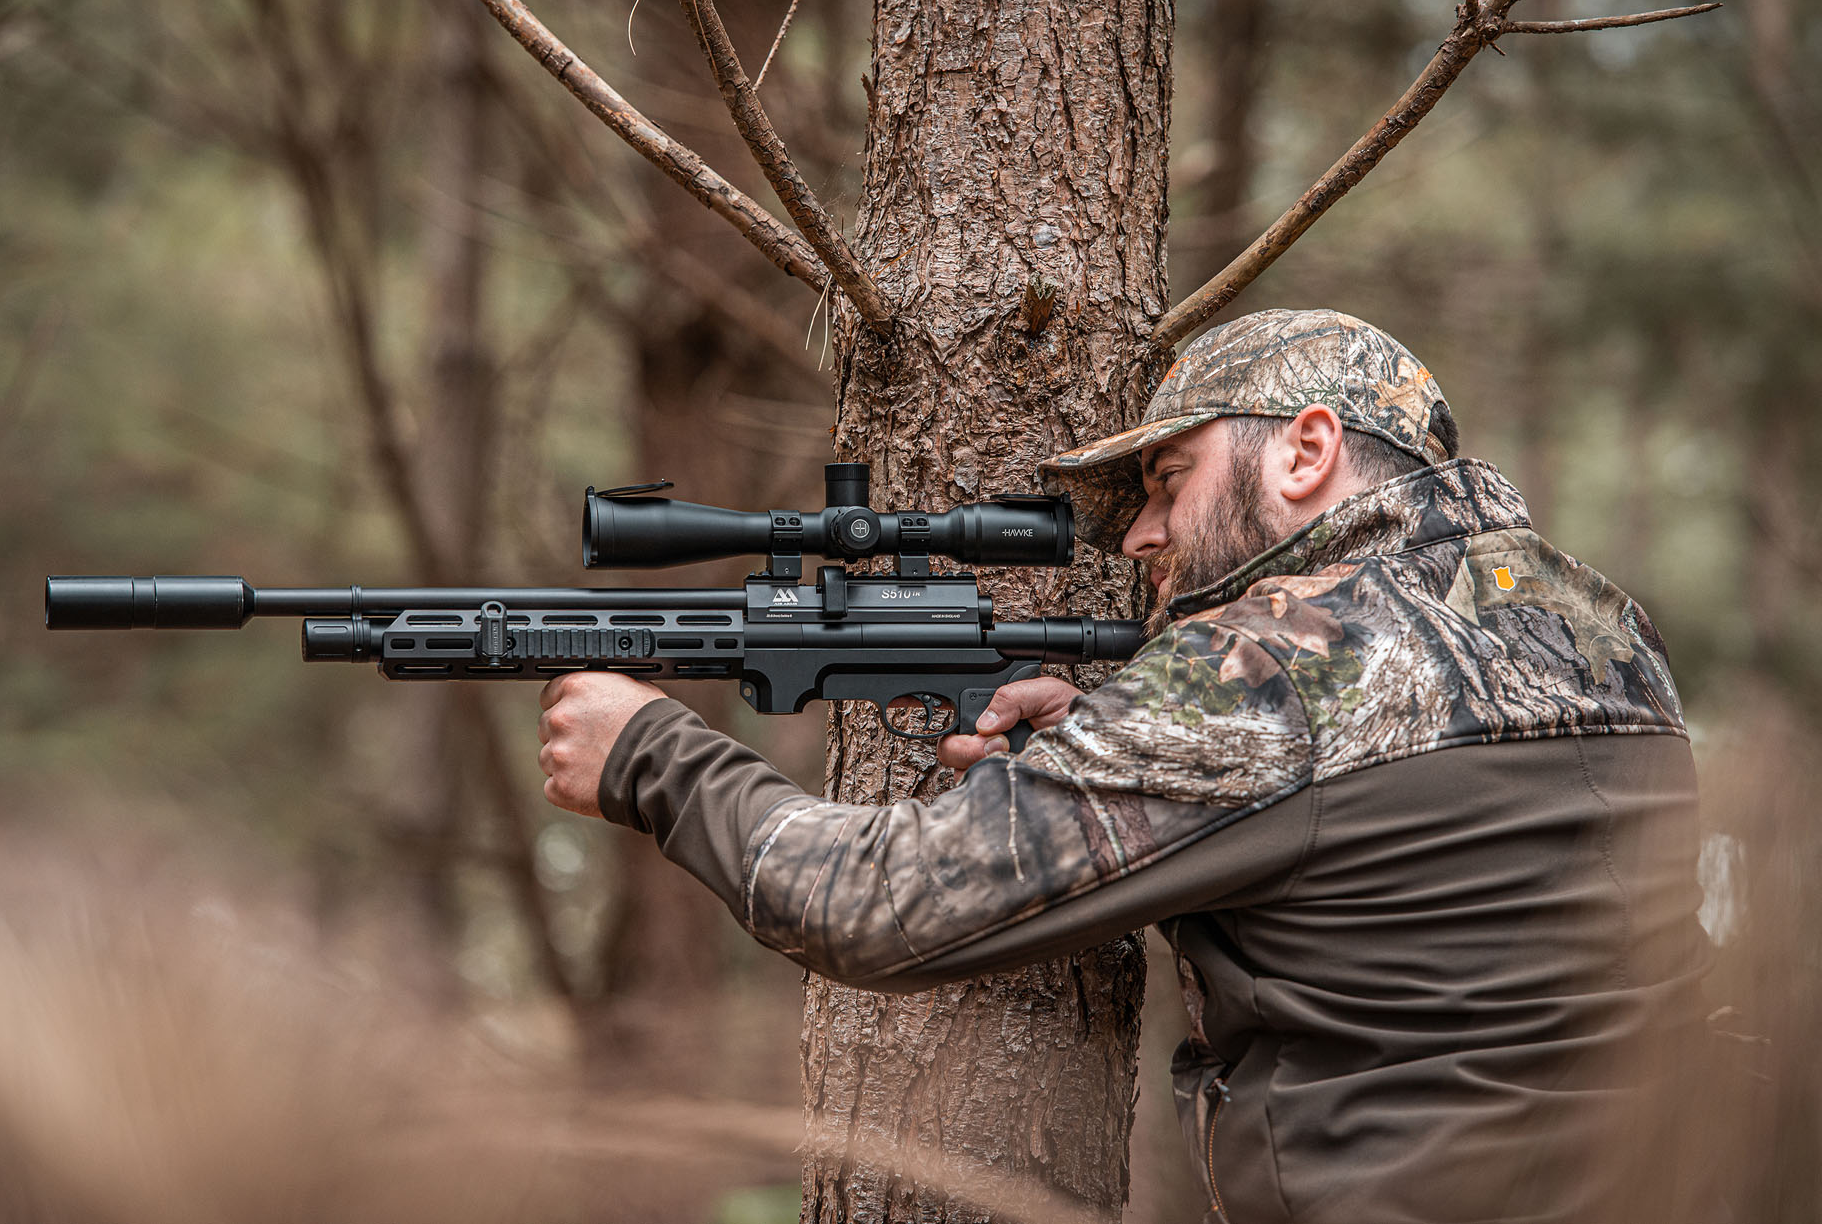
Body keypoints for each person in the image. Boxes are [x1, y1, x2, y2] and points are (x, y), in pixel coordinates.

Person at [535, 309, 1713, 1223]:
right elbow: (1397, 878)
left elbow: (878, 906)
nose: (1142, 536)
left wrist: (653, 754)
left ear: (1307, 449)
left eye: (1168, 482)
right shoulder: (1606, 631)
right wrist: (1115, 732)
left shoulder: (1268, 670)